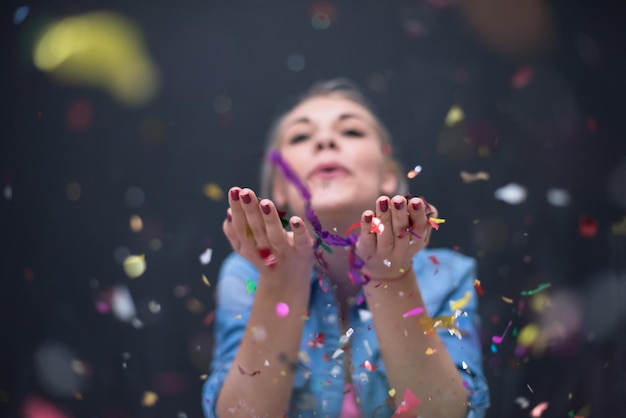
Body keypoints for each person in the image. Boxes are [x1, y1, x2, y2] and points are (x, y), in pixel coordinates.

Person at [202, 79, 490, 417]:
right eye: (300, 137)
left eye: (351, 132)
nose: (325, 141)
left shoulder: (449, 275)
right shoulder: (245, 273)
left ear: (389, 176)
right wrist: (281, 283)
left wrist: (391, 277)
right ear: (279, 187)